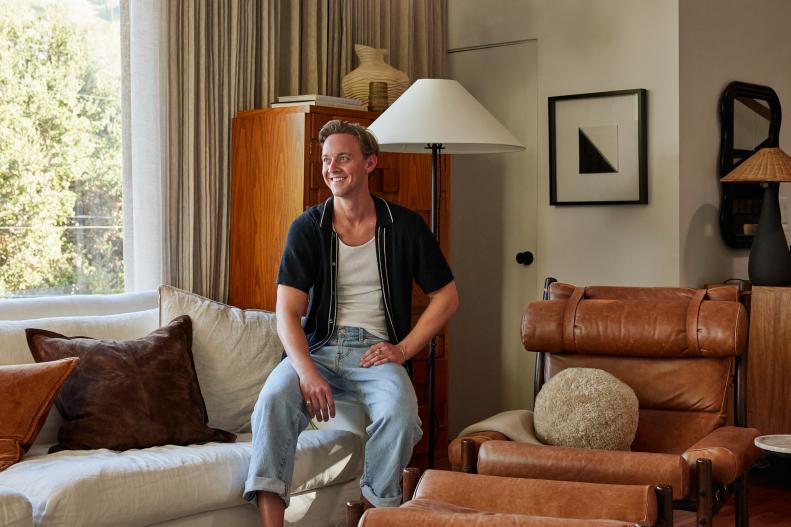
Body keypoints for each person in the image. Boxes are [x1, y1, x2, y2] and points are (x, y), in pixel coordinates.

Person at [243, 119, 458, 526]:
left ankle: (372, 516)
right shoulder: (308, 228)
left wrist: (403, 349)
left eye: (343, 157)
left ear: (369, 163)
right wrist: (306, 372)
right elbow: (286, 312)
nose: (332, 167)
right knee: (271, 401)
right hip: (318, 349)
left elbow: (447, 297)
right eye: (326, 160)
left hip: (375, 353)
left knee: (398, 411)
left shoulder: (405, 226)